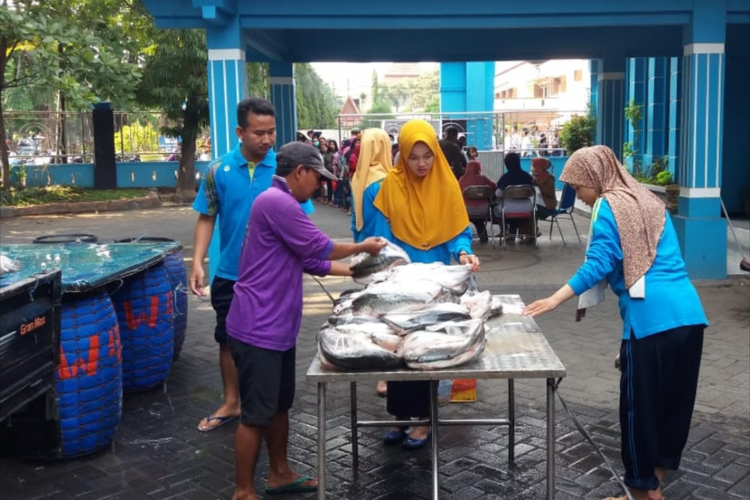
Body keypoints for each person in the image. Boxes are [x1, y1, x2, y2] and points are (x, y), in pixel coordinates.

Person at [522, 145, 708, 500]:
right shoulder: (647, 200)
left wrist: (554, 299)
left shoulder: (609, 204)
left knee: (640, 411)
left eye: (579, 187)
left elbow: (599, 263)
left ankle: (638, 492)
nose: (580, 196)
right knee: (674, 405)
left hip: (649, 322)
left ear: (595, 178)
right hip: (689, 317)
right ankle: (654, 482)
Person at [225, 141, 387, 500]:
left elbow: (310, 262)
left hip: (276, 328)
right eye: (317, 178)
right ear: (300, 172)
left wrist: (361, 274)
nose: (319, 185)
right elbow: (320, 247)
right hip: (257, 328)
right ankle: (243, 490)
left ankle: (280, 473)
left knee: (278, 405)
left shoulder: (278, 202)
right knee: (255, 413)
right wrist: (365, 248)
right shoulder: (277, 202)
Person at [189, 97, 313, 433]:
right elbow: (206, 217)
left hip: (274, 278)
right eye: (259, 132)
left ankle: (269, 401)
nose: (267, 139)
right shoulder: (219, 171)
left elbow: (305, 225)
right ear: (240, 132)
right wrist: (198, 263)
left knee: (273, 342)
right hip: (230, 273)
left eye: (271, 132)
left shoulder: (287, 170)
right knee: (227, 339)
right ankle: (232, 401)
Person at [369, 119, 480, 449]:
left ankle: (424, 421)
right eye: (413, 156)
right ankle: (401, 417)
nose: (420, 163)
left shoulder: (447, 184)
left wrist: (463, 252)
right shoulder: (390, 185)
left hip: (436, 285)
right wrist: (386, 268)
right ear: (402, 154)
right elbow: (382, 237)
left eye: (426, 156)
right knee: (400, 351)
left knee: (428, 350)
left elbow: (458, 230)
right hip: (401, 284)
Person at [349, 128, 394, 398]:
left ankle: (376, 367)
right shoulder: (383, 181)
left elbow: (357, 222)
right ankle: (385, 378)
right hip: (382, 253)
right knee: (389, 317)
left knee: (374, 316)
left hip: (362, 250)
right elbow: (384, 226)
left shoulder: (359, 178)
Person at [494, 152, 535, 242]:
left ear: (507, 165)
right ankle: (519, 232)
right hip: (527, 209)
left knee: (495, 209)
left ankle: (505, 231)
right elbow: (533, 192)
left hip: (508, 209)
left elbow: (498, 194)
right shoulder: (527, 176)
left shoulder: (505, 178)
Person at [459, 160, 496, 243]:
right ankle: (482, 233)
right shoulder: (483, 179)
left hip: (466, 210)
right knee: (478, 219)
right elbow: (493, 186)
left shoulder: (462, 180)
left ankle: (462, 238)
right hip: (483, 209)